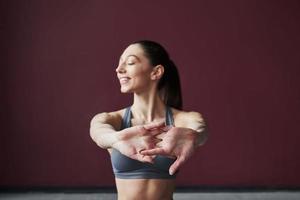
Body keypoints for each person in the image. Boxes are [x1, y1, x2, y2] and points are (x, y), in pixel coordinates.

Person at [90, 40, 208, 200]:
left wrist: (193, 136)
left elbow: (199, 129)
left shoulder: (184, 119)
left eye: (130, 62)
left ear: (156, 72)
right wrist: (116, 139)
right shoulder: (111, 119)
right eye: (119, 64)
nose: (119, 69)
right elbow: (99, 132)